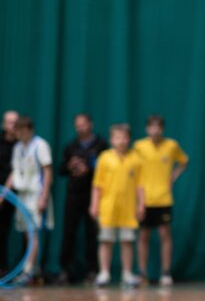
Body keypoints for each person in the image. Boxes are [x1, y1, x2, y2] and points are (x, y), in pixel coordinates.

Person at [133, 115, 189, 285]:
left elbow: (184, 161)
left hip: (164, 198)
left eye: (158, 127)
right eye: (152, 127)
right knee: (143, 235)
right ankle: (142, 273)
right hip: (145, 199)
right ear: (147, 129)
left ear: (162, 129)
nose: (155, 130)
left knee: (165, 235)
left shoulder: (171, 145)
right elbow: (135, 173)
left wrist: (173, 177)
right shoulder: (139, 146)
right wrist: (140, 200)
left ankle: (165, 272)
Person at [89, 124, 144, 287]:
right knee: (106, 241)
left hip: (128, 208)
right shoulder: (104, 158)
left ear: (129, 139)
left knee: (127, 241)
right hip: (107, 208)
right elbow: (97, 184)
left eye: (124, 137)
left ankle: (127, 274)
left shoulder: (136, 158)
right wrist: (94, 204)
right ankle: (104, 273)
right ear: (112, 139)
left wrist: (141, 204)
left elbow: (141, 185)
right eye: (117, 137)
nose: (121, 141)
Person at [57, 113, 107, 284]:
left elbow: (106, 169)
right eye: (77, 125)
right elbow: (61, 170)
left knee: (92, 233)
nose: (80, 128)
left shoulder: (101, 145)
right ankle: (65, 270)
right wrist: (70, 165)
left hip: (94, 195)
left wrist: (89, 169)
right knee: (68, 232)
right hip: (74, 194)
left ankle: (93, 271)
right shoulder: (70, 146)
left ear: (90, 124)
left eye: (83, 124)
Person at [4, 116, 54, 284]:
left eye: (21, 131)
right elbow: (15, 172)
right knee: (27, 233)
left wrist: (44, 196)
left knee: (33, 232)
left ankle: (28, 269)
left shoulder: (40, 145)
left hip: (36, 193)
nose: (19, 134)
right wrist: (4, 193)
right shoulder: (18, 147)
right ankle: (34, 268)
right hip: (22, 195)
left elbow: (47, 171)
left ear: (29, 130)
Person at [0, 110, 19, 275]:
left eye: (15, 122)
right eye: (9, 122)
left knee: (6, 230)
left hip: (13, 194)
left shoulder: (21, 145)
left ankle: (6, 269)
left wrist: (4, 193)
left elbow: (16, 170)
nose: (12, 125)